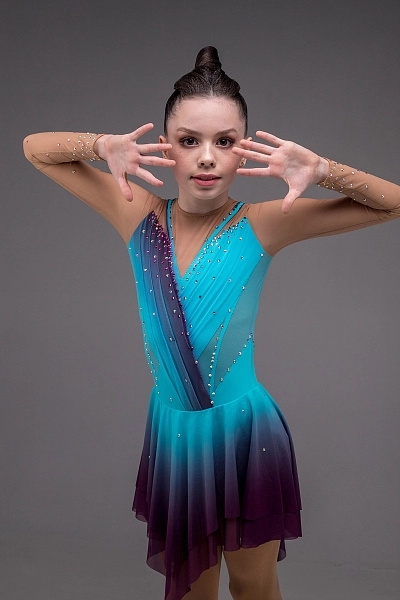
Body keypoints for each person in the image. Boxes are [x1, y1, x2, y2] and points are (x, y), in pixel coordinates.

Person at [23, 46, 400, 600]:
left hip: (246, 436)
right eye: (188, 141)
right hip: (177, 440)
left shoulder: (265, 223)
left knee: (253, 586)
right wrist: (101, 146)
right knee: (192, 590)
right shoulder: (136, 211)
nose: (206, 158)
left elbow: (392, 203)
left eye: (225, 141)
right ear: (165, 146)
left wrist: (324, 171)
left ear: (244, 147)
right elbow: (35, 149)